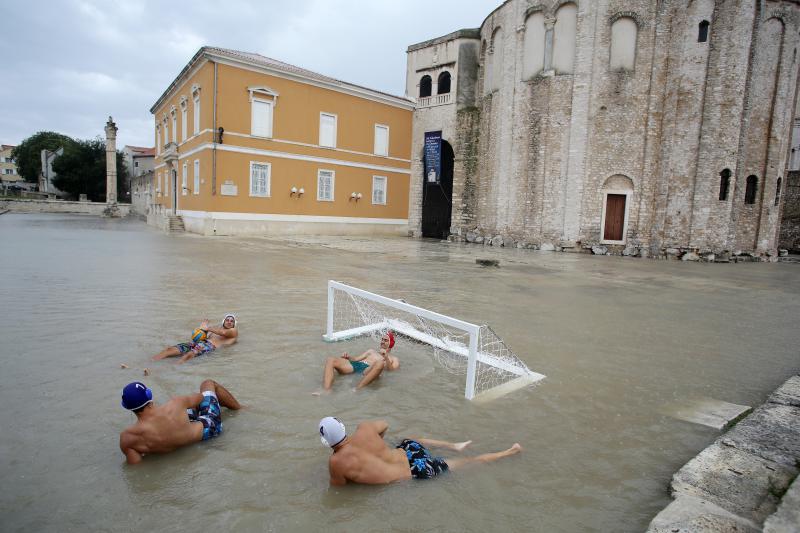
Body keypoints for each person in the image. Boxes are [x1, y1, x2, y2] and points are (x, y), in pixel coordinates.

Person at [319, 417, 521, 486]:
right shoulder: (365, 428)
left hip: (417, 472)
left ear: (326, 441)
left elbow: (340, 487)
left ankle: (510, 452)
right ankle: (454, 445)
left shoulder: (336, 462)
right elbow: (385, 424)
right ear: (343, 427)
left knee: (470, 462)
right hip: (410, 452)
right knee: (408, 441)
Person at [118, 379, 241, 464]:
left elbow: (137, 466)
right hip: (209, 430)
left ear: (127, 407)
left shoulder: (127, 438)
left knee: (188, 409)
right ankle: (240, 409)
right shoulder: (176, 403)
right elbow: (200, 398)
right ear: (149, 395)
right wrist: (185, 401)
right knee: (208, 383)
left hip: (174, 444)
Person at [321, 331, 399, 391]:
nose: (382, 341)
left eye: (385, 340)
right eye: (382, 339)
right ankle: (326, 390)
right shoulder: (371, 351)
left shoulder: (394, 359)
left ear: (391, 343)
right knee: (331, 360)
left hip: (368, 371)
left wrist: (386, 358)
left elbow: (391, 371)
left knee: (380, 363)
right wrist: (348, 357)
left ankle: (357, 389)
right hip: (357, 365)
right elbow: (355, 359)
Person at [152, 314, 238, 363]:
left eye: (232, 321)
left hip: (210, 346)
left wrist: (207, 327)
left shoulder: (233, 331)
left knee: (188, 355)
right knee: (169, 349)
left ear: (234, 324)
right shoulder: (215, 329)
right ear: (223, 321)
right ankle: (150, 362)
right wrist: (202, 330)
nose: (229, 322)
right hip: (200, 343)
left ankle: (167, 370)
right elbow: (201, 336)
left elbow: (223, 333)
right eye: (227, 320)